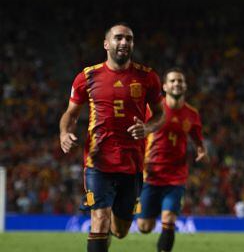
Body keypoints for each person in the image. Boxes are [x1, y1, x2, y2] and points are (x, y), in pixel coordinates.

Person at [59, 23, 165, 252]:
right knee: (99, 218)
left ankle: (109, 231)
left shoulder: (147, 77)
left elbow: (160, 115)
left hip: (132, 164)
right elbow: (71, 113)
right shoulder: (87, 76)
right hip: (97, 162)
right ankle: (100, 229)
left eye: (129, 39)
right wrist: (64, 132)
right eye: (118, 38)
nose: (124, 42)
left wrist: (147, 128)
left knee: (120, 230)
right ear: (106, 44)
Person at [137, 68, 207, 252]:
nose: (177, 84)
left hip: (176, 177)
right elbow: (139, 131)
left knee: (169, 219)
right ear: (165, 87)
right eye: (173, 81)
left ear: (185, 86)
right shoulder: (151, 109)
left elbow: (197, 136)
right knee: (145, 227)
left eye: (180, 81)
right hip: (150, 175)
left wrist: (200, 149)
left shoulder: (192, 114)